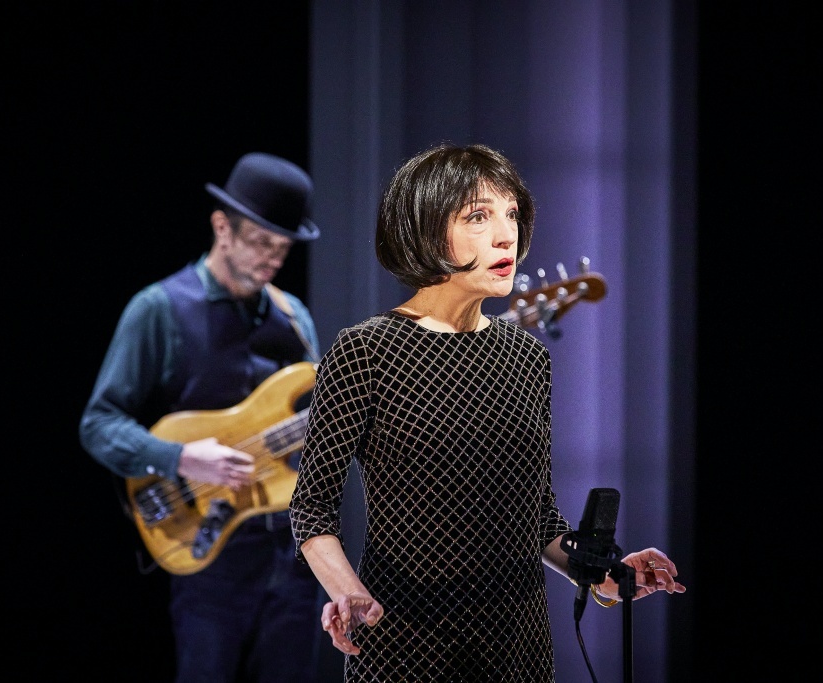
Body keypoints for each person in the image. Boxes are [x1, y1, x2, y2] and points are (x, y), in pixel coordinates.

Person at [289, 142, 686, 681]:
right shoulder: (366, 351)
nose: (506, 235)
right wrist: (350, 594)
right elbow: (311, 508)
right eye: (479, 216)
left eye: (512, 215)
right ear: (428, 233)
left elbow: (537, 516)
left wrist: (603, 574)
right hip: (406, 641)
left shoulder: (527, 357)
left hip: (517, 644)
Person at [80, 152, 326, 683]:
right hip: (209, 557)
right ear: (222, 226)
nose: (272, 260)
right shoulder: (159, 308)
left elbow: (321, 429)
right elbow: (99, 422)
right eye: (262, 242)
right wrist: (181, 457)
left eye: (282, 249)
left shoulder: (293, 317)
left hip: (293, 556)